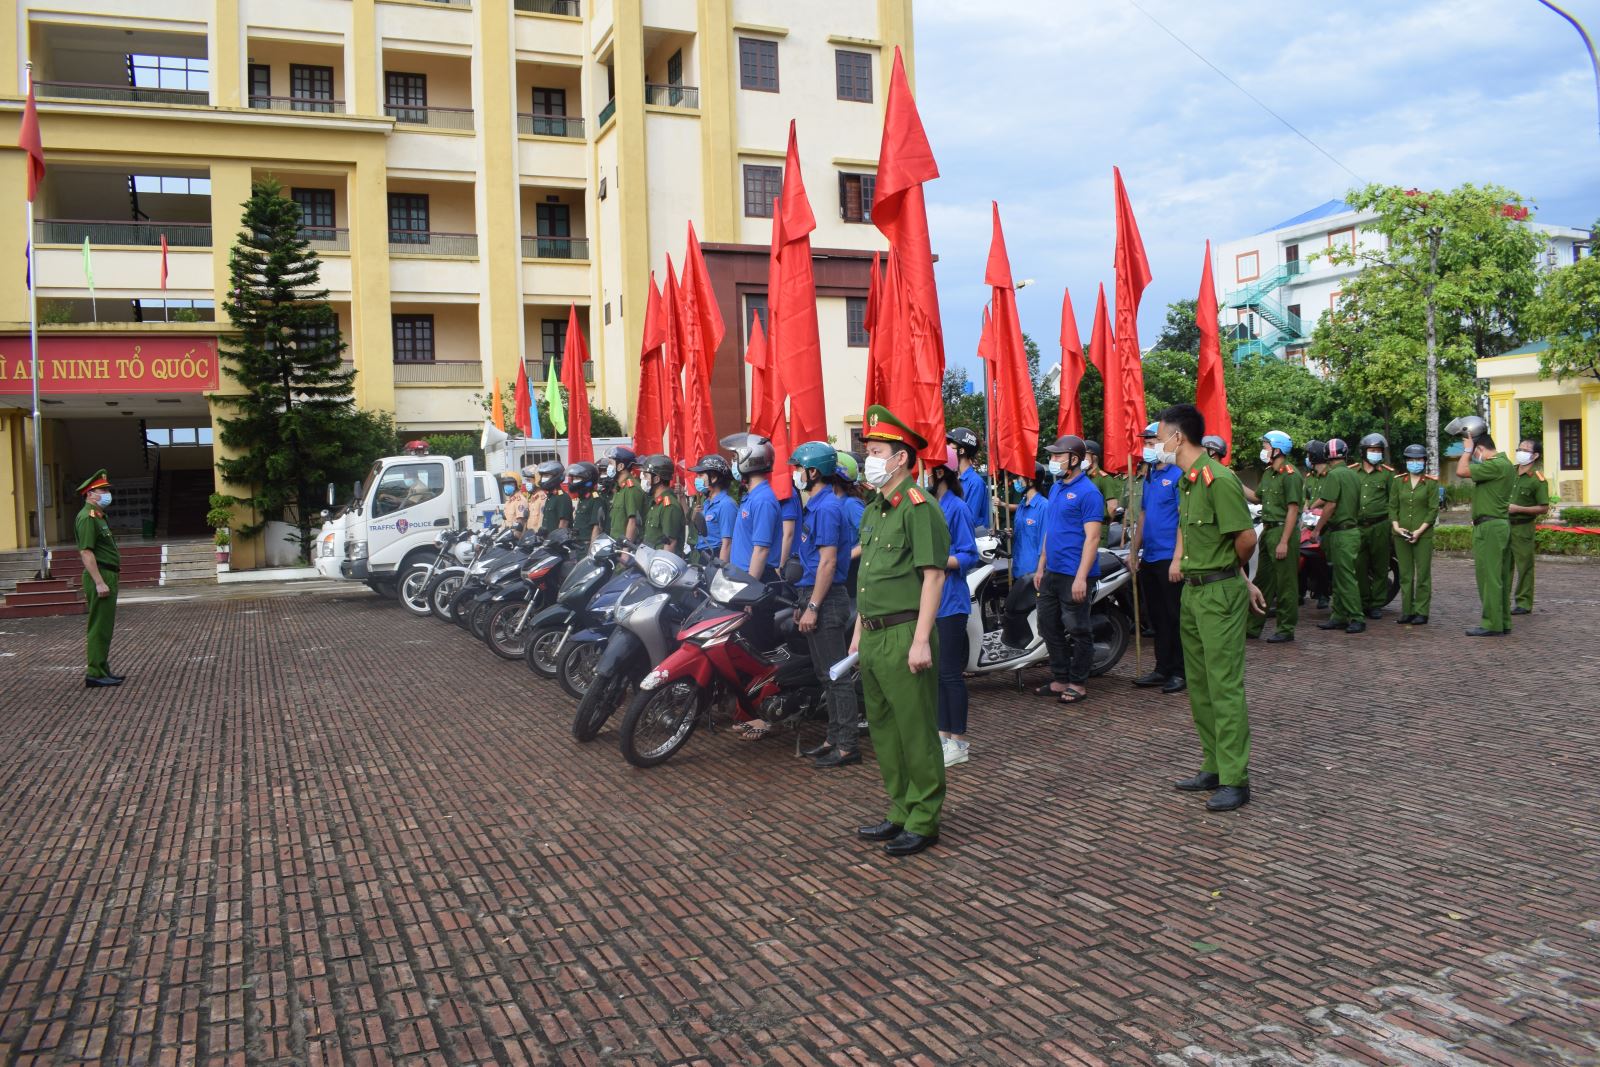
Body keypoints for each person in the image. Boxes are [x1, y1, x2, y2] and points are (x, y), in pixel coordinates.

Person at [850, 405, 950, 858]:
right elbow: (868, 579)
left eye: (876, 451)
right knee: (884, 731)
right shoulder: (874, 510)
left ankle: (925, 819)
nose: (869, 458)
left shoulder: (918, 506)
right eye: (868, 450)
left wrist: (922, 640)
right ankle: (900, 810)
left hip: (905, 632)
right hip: (872, 634)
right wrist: (856, 633)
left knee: (915, 731)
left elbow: (933, 576)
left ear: (900, 459)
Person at [1157, 404, 1266, 813]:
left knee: (1224, 687)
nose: (1156, 445)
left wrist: (1235, 575)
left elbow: (1245, 539)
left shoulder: (1218, 479)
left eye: (1158, 437)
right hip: (1193, 591)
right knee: (1200, 686)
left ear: (1178, 438)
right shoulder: (1187, 482)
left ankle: (1236, 779)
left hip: (1218, 593)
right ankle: (1214, 765)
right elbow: (1194, 536)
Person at [785, 442, 862, 767]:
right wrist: (804, 602)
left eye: (799, 468)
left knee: (835, 676)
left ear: (813, 472)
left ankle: (847, 746)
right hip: (815, 595)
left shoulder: (828, 508)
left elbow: (828, 563)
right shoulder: (817, 505)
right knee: (824, 674)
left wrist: (813, 606)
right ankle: (833, 737)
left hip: (827, 599)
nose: (796, 474)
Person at [1034, 434, 1104, 707]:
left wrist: (1081, 577)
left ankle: (1078, 682)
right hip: (1052, 572)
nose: (1052, 461)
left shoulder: (1089, 493)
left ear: (1074, 459)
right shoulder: (1055, 488)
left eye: (1057, 456)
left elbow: (1093, 538)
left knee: (1078, 629)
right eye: (1051, 456)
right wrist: (1041, 566)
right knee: (1047, 626)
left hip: (1075, 573)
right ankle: (1060, 677)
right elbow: (1050, 531)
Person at [930, 447, 980, 767]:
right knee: (936, 674)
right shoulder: (930, 507)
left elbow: (968, 554)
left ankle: (959, 741)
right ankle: (942, 735)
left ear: (939, 473)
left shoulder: (957, 508)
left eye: (926, 469)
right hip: (931, 602)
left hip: (951, 602)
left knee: (949, 673)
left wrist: (937, 562)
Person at [1129, 423, 1186, 690]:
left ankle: (1180, 671)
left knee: (1175, 616)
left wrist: (1177, 558)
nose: (1147, 448)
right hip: (1150, 556)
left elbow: (1182, 521)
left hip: (1169, 557)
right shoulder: (1150, 475)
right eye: (1146, 443)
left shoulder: (1178, 475)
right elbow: (1142, 516)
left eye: (1152, 443)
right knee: (1157, 617)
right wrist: (1134, 550)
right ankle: (1162, 668)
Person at [1245, 430, 1303, 643]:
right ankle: (1253, 626)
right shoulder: (1269, 474)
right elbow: (1255, 497)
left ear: (1278, 449)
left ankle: (1286, 628)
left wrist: (1284, 542)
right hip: (1268, 530)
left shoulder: (1291, 475)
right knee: (1263, 580)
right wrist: (1234, 481)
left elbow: (1293, 510)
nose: (1264, 450)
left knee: (1286, 583)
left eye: (1267, 446)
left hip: (1282, 531)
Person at [1457, 429, 1515, 636]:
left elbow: (1462, 471)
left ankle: (1491, 623)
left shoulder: (1495, 465)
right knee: (1500, 576)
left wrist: (1466, 451)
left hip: (1489, 527)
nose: (1474, 457)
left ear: (1480, 449)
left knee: (1488, 576)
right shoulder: (1504, 465)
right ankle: (1503, 621)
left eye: (1475, 453)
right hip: (1498, 525)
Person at [74, 470, 124, 688]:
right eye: (102, 490)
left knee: (105, 626)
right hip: (100, 575)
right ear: (90, 494)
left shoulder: (99, 516)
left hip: (108, 573)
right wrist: (99, 581)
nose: (106, 493)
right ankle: (94, 672)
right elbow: (86, 552)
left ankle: (102, 668)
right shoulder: (87, 517)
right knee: (98, 626)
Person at [1311, 438, 1366, 633]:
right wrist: (1313, 505)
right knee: (1340, 577)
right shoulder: (1352, 475)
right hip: (1350, 530)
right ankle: (1339, 615)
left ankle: (1356, 617)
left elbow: (1331, 504)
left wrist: (1317, 529)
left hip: (1341, 533)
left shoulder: (1333, 475)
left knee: (1345, 577)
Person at [1389, 444, 1439, 625]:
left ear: (1424, 461)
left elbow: (1433, 510)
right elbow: (1393, 506)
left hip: (1422, 534)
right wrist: (1395, 526)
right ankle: (1407, 610)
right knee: (1405, 574)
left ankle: (1422, 611)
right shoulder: (1398, 481)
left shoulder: (1431, 482)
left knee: (1423, 573)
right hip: (1401, 533)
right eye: (1411, 460)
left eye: (1418, 459)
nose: (1414, 463)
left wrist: (1419, 531)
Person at [724, 433, 781, 578]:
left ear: (748, 460)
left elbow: (761, 550)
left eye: (735, 458)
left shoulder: (763, 500)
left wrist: (750, 594)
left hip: (756, 578)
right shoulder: (752, 496)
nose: (733, 463)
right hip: (744, 576)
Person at [1354, 433, 1395, 620]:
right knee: (1359, 566)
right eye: (1372, 450)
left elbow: (1394, 502)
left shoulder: (1388, 474)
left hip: (1380, 525)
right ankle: (1363, 601)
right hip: (1358, 526)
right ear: (1363, 452)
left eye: (1379, 451)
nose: (1375, 454)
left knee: (1380, 565)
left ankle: (1377, 603)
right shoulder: (1353, 472)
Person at [1508, 438, 1550, 616]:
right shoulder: (1508, 472)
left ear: (1535, 455)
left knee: (1524, 565)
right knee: (1502, 565)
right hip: (1503, 525)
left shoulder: (1537, 479)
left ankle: (1524, 602)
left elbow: (1543, 507)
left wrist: (1520, 509)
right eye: (1519, 448)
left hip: (1523, 526)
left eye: (1525, 450)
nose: (1520, 452)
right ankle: (1501, 599)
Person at [688, 454, 737, 564]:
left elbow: (727, 543)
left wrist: (720, 571)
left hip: (716, 556)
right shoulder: (706, 503)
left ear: (713, 478)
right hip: (702, 556)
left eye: (700, 475)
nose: (697, 479)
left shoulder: (726, 504)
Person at [1301, 441, 1332, 610]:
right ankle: (1302, 590)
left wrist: (1313, 506)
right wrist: (1306, 506)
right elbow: (1306, 497)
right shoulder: (1310, 477)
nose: (1307, 458)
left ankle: (1323, 594)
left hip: (1327, 523)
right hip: (1310, 522)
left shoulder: (1331, 475)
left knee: (1320, 558)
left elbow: (1328, 498)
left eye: (1308, 455)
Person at [947, 427, 991, 534]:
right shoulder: (954, 479)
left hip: (970, 542)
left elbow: (968, 519)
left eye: (950, 445)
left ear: (961, 451)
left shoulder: (975, 482)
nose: (947, 449)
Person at [638, 453, 685, 552]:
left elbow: (670, 544)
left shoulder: (669, 506)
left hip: (660, 564)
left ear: (656, 479)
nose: (643, 480)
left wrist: (659, 566)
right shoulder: (656, 503)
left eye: (646, 476)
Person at [605, 447, 648, 544]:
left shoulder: (631, 489)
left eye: (611, 463)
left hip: (627, 547)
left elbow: (633, 522)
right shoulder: (619, 487)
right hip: (615, 543)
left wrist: (626, 550)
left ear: (620, 466)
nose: (609, 467)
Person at [1084, 440, 1122, 528]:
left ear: (1094, 457)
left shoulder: (1104, 478)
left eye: (1084, 455)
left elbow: (1112, 507)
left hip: (1100, 526)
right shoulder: (1084, 478)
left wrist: (1106, 525)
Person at [568, 462, 604, 544]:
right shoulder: (583, 499)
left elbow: (597, 527)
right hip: (577, 545)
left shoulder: (596, 499)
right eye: (573, 478)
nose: (574, 481)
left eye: (577, 478)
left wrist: (591, 550)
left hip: (587, 546)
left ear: (588, 480)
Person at [534, 461, 572, 535]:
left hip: (556, 543)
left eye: (546, 475)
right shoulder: (550, 497)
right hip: (547, 542)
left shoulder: (562, 497)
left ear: (556, 477)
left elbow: (563, 524)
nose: (543, 479)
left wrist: (555, 540)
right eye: (542, 476)